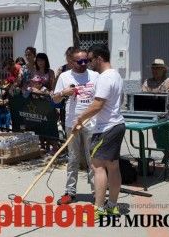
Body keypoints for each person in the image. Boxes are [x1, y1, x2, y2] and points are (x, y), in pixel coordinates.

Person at [73, 44, 125, 218]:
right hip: (116, 125)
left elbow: (98, 104)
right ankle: (112, 205)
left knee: (98, 167)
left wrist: (80, 118)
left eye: (90, 59)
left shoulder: (104, 77)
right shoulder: (116, 75)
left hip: (106, 128)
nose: (88, 63)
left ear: (99, 58)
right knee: (113, 166)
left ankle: (98, 208)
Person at [53, 48, 98, 205]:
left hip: (91, 123)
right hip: (72, 123)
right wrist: (64, 92)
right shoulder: (64, 77)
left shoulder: (95, 76)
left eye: (86, 60)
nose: (84, 64)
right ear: (71, 62)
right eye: (80, 61)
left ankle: (97, 193)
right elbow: (55, 100)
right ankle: (70, 192)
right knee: (73, 158)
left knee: (93, 159)